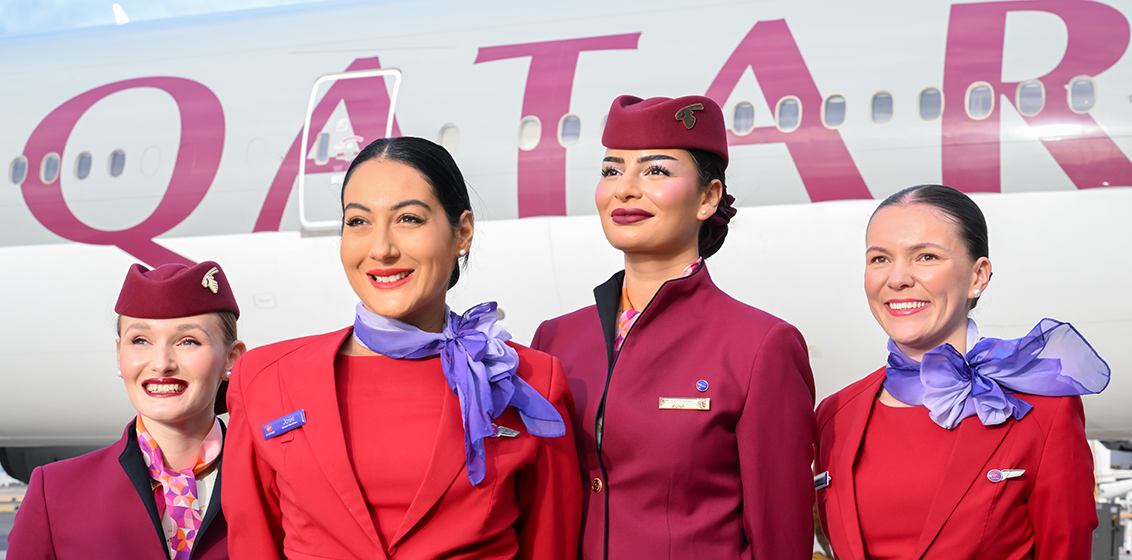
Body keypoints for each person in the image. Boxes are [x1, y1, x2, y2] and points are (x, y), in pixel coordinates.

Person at [223, 136, 582, 560]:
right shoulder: (265, 379)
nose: (381, 249)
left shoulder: (529, 383)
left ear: (463, 233)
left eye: (409, 219)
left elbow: (552, 545)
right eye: (358, 221)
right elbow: (253, 544)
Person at [531, 95, 817, 560]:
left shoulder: (760, 346)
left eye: (656, 171)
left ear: (708, 197)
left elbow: (780, 538)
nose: (625, 189)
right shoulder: (555, 340)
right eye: (611, 170)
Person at [814, 184, 1110, 560]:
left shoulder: (1045, 412)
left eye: (926, 256)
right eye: (880, 259)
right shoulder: (836, 416)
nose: (897, 278)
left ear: (978, 276)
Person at [8, 260, 244, 560]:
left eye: (188, 341)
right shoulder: (55, 491)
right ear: (119, 355)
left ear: (232, 358)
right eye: (140, 340)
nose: (161, 363)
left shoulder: (275, 484)